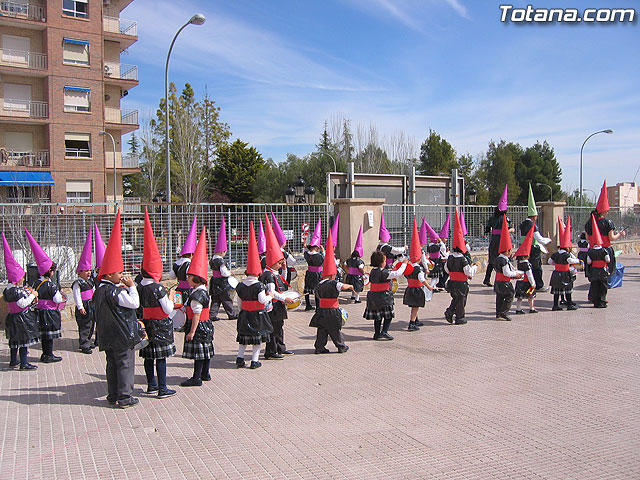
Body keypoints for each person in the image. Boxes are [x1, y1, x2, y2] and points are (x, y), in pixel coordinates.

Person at [93, 210, 142, 408]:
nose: (122, 275)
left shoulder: (100, 290)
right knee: (124, 365)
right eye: (119, 272)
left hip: (107, 334)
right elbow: (134, 304)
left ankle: (112, 394)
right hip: (122, 335)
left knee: (111, 364)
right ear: (111, 273)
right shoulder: (118, 292)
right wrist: (132, 286)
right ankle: (124, 397)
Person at [138, 208, 176, 398]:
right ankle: (162, 387)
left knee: (148, 357)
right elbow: (168, 309)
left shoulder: (138, 286)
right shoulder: (158, 288)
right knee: (160, 358)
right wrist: (170, 296)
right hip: (160, 326)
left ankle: (151, 384)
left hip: (146, 324)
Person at [235, 221, 273, 369]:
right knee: (257, 340)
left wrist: (241, 310)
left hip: (245, 314)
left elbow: (238, 301)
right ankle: (254, 360)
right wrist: (270, 296)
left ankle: (240, 358)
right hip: (257, 315)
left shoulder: (241, 285)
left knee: (243, 339)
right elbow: (262, 300)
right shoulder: (259, 285)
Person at [181, 227, 215, 387]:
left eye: (189, 276)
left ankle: (197, 377)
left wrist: (192, 331)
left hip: (199, 325)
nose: (187, 278)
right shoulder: (201, 291)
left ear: (196, 278)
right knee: (205, 351)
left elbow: (196, 313)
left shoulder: (196, 295)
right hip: (206, 325)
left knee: (199, 353)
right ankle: (205, 373)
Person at [25, 228, 64, 363]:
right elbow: (57, 299)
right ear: (50, 272)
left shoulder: (35, 282)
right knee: (49, 336)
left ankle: (45, 353)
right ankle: (48, 355)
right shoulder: (51, 285)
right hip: (49, 313)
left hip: (39, 312)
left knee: (44, 336)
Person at [260, 213, 296, 360]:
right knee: (273, 329)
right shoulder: (268, 275)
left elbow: (284, 279)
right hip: (273, 306)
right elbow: (272, 292)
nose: (281, 263)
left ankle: (281, 347)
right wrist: (285, 298)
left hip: (279, 306)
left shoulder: (275, 272)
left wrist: (285, 268)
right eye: (279, 262)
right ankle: (271, 351)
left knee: (279, 327)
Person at [310, 231, 353, 354]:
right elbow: (342, 286)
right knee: (335, 330)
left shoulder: (319, 284)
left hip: (322, 310)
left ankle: (319, 347)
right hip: (332, 310)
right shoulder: (333, 283)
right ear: (332, 274)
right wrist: (349, 286)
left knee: (322, 330)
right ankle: (341, 346)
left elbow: (316, 293)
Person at [2, 233, 39, 370]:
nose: (23, 279)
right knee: (24, 341)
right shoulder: (17, 291)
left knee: (14, 341)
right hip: (21, 318)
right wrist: (32, 295)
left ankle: (13, 360)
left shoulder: (8, 290)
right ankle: (24, 363)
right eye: (22, 277)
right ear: (17, 279)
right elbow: (22, 304)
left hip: (12, 318)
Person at [584, 180, 626, 277]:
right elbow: (611, 238)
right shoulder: (608, 223)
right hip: (606, 250)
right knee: (607, 270)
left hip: (592, 250)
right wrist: (620, 234)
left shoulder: (589, 222)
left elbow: (587, 237)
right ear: (605, 210)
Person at [364, 251, 407, 340]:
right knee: (388, 316)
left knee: (377, 317)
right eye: (384, 261)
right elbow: (397, 273)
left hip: (374, 297)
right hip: (384, 297)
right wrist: (404, 264)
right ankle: (384, 332)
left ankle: (377, 333)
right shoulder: (384, 272)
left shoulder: (373, 271)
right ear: (381, 262)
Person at [444, 211, 477, 325]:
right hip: (461, 283)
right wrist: (475, 268)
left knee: (457, 299)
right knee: (461, 300)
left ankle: (450, 312)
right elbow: (469, 272)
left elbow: (446, 269)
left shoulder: (450, 258)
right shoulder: (462, 259)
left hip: (452, 281)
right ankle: (459, 317)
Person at [403, 219, 435, 331]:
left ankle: (416, 320)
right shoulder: (418, 269)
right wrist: (429, 286)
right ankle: (412, 323)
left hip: (410, 288)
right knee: (415, 307)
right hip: (416, 289)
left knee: (414, 306)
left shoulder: (408, 267)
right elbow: (422, 279)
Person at [519, 184, 551, 291]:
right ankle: (539, 285)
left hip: (525, 249)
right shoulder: (532, 225)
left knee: (527, 268)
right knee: (536, 268)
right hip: (533, 249)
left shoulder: (523, 224)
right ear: (534, 216)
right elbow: (539, 239)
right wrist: (548, 240)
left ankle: (528, 283)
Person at [493, 214, 524, 321]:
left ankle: (498, 312)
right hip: (504, 282)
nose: (511, 253)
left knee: (499, 297)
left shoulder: (498, 258)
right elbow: (506, 273)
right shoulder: (504, 260)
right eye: (510, 250)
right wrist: (516, 274)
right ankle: (504, 312)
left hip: (498, 282)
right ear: (507, 251)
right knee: (510, 295)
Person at [483, 185, 513, 287]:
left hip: (493, 241)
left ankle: (487, 279)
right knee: (504, 259)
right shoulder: (505, 219)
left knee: (491, 261)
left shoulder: (492, 218)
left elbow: (487, 229)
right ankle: (502, 277)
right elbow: (507, 230)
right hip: (502, 241)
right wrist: (511, 230)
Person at [209, 217, 237, 321]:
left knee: (215, 300)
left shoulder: (212, 259)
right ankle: (232, 314)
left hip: (215, 282)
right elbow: (224, 272)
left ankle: (212, 315)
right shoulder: (221, 261)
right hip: (222, 283)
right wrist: (230, 273)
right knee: (226, 299)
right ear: (222, 251)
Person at [549, 217, 580, 311]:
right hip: (565, 274)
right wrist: (577, 260)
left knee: (556, 291)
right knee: (568, 290)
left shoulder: (555, 254)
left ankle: (555, 305)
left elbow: (550, 261)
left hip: (556, 273)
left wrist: (556, 264)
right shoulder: (567, 255)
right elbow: (571, 261)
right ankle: (569, 304)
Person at [73, 230, 96, 354]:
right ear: (79, 272)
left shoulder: (90, 281)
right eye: (85, 270)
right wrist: (80, 306)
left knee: (91, 324)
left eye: (89, 270)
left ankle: (88, 340)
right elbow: (77, 295)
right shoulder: (78, 283)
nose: (88, 273)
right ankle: (84, 343)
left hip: (91, 305)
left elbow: (93, 290)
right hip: (84, 306)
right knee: (85, 326)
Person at [169, 215, 197, 308]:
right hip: (188, 290)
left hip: (179, 290)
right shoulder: (189, 264)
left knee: (179, 307)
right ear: (192, 254)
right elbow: (188, 278)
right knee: (188, 308)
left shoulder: (176, 263)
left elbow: (172, 276)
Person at [586, 214, 610, 308]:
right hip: (603, 271)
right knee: (603, 287)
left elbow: (588, 262)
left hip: (594, 271)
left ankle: (595, 302)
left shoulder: (591, 252)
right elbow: (607, 260)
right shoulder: (604, 251)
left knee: (595, 286)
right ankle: (602, 301)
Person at [513, 220, 537, 314]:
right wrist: (533, 283)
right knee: (531, 296)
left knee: (519, 297)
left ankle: (518, 309)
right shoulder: (527, 264)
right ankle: (532, 308)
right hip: (526, 282)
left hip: (520, 282)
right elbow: (529, 274)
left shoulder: (519, 263)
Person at [303, 218, 324, 311]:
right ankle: (318, 306)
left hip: (309, 273)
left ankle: (308, 305)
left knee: (307, 289)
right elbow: (325, 259)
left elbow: (305, 250)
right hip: (317, 274)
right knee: (317, 289)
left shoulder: (307, 254)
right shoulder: (319, 256)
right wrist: (323, 251)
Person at [344, 226, 365, 304]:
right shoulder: (359, 261)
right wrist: (363, 273)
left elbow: (345, 265)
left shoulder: (348, 260)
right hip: (357, 276)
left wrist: (348, 271)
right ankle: (357, 299)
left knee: (352, 286)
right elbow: (360, 268)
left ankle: (352, 296)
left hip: (350, 275)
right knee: (358, 288)